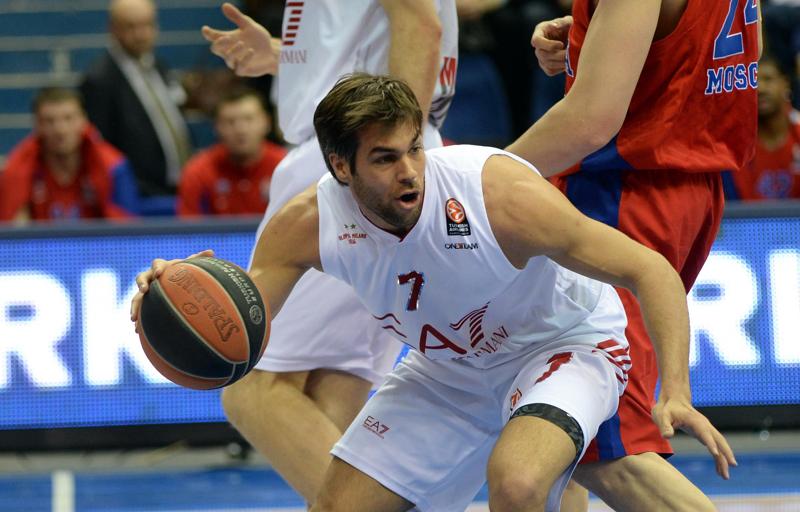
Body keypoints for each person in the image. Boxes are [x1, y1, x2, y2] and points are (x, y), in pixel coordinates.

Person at [131, 73, 734, 512]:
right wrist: (172, 295)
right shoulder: (306, 224)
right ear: (341, 167)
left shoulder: (495, 192)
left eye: (414, 147)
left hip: (561, 345)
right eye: (385, 158)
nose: (410, 171)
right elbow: (247, 333)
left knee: (520, 482)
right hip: (448, 368)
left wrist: (674, 389)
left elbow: (648, 269)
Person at [504, 0, 761, 508]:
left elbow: (588, 122)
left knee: (608, 444)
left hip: (626, 193)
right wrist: (593, 37)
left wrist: (478, 178)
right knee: (561, 406)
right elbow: (715, 47)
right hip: (691, 187)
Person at [198, 1, 458, 503]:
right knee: (332, 390)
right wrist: (286, 56)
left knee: (252, 386)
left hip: (351, 168)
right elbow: (373, 40)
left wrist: (390, 159)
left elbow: (420, 26)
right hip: (368, 159)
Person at [80, 0, 192, 203]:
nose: (141, 34)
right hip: (138, 198)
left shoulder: (158, 65)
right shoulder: (100, 79)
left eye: (147, 25)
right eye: (131, 26)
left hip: (177, 190)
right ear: (112, 29)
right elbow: (100, 148)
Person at [0, 87, 139, 223]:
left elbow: (126, 232)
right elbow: (14, 235)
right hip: (41, 245)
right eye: (49, 121)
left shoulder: (113, 167)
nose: (60, 130)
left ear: (84, 121)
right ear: (37, 125)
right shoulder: (18, 170)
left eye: (68, 118)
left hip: (97, 245)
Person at [177, 88, 286, 217]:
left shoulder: (285, 166)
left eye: (249, 119)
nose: (240, 130)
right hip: (217, 238)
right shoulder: (197, 171)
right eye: (230, 122)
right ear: (216, 127)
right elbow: (188, 229)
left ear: (267, 122)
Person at [724, 57, 800, 201]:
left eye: (768, 79)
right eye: (754, 81)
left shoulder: (798, 131)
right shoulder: (732, 145)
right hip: (745, 222)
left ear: (786, 83)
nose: (760, 88)